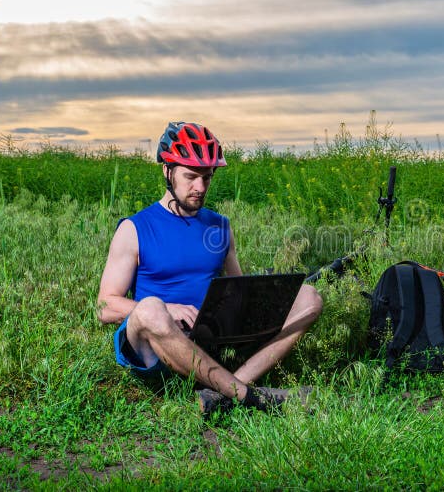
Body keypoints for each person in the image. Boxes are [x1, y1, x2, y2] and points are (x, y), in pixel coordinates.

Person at [97, 121, 322, 414]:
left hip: (212, 341)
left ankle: (222, 393)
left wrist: (270, 296)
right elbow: (105, 306)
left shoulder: (220, 226)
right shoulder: (134, 228)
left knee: (309, 297)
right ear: (167, 170)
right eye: (191, 177)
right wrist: (169, 308)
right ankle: (251, 397)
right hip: (159, 347)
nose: (200, 188)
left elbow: (239, 290)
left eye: (207, 177)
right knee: (151, 309)